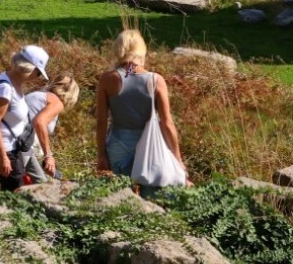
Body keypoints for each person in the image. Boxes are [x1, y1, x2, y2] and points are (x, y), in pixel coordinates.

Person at [95, 29, 184, 193]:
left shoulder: (107, 79)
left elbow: (101, 121)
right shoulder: (156, 80)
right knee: (150, 198)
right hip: (150, 146)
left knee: (122, 197)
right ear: (141, 51)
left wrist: (101, 154)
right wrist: (177, 158)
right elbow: (167, 123)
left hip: (118, 144)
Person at [0, 45, 50, 190]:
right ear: (29, 68)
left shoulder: (11, 80)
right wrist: (3, 157)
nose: (37, 78)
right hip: (3, 149)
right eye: (38, 73)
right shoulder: (5, 89)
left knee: (11, 189)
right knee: (15, 191)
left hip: (10, 148)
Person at [20, 74, 80, 183]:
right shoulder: (56, 102)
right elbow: (39, 122)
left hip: (17, 143)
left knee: (36, 182)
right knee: (36, 184)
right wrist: (48, 156)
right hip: (22, 146)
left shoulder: (39, 96)